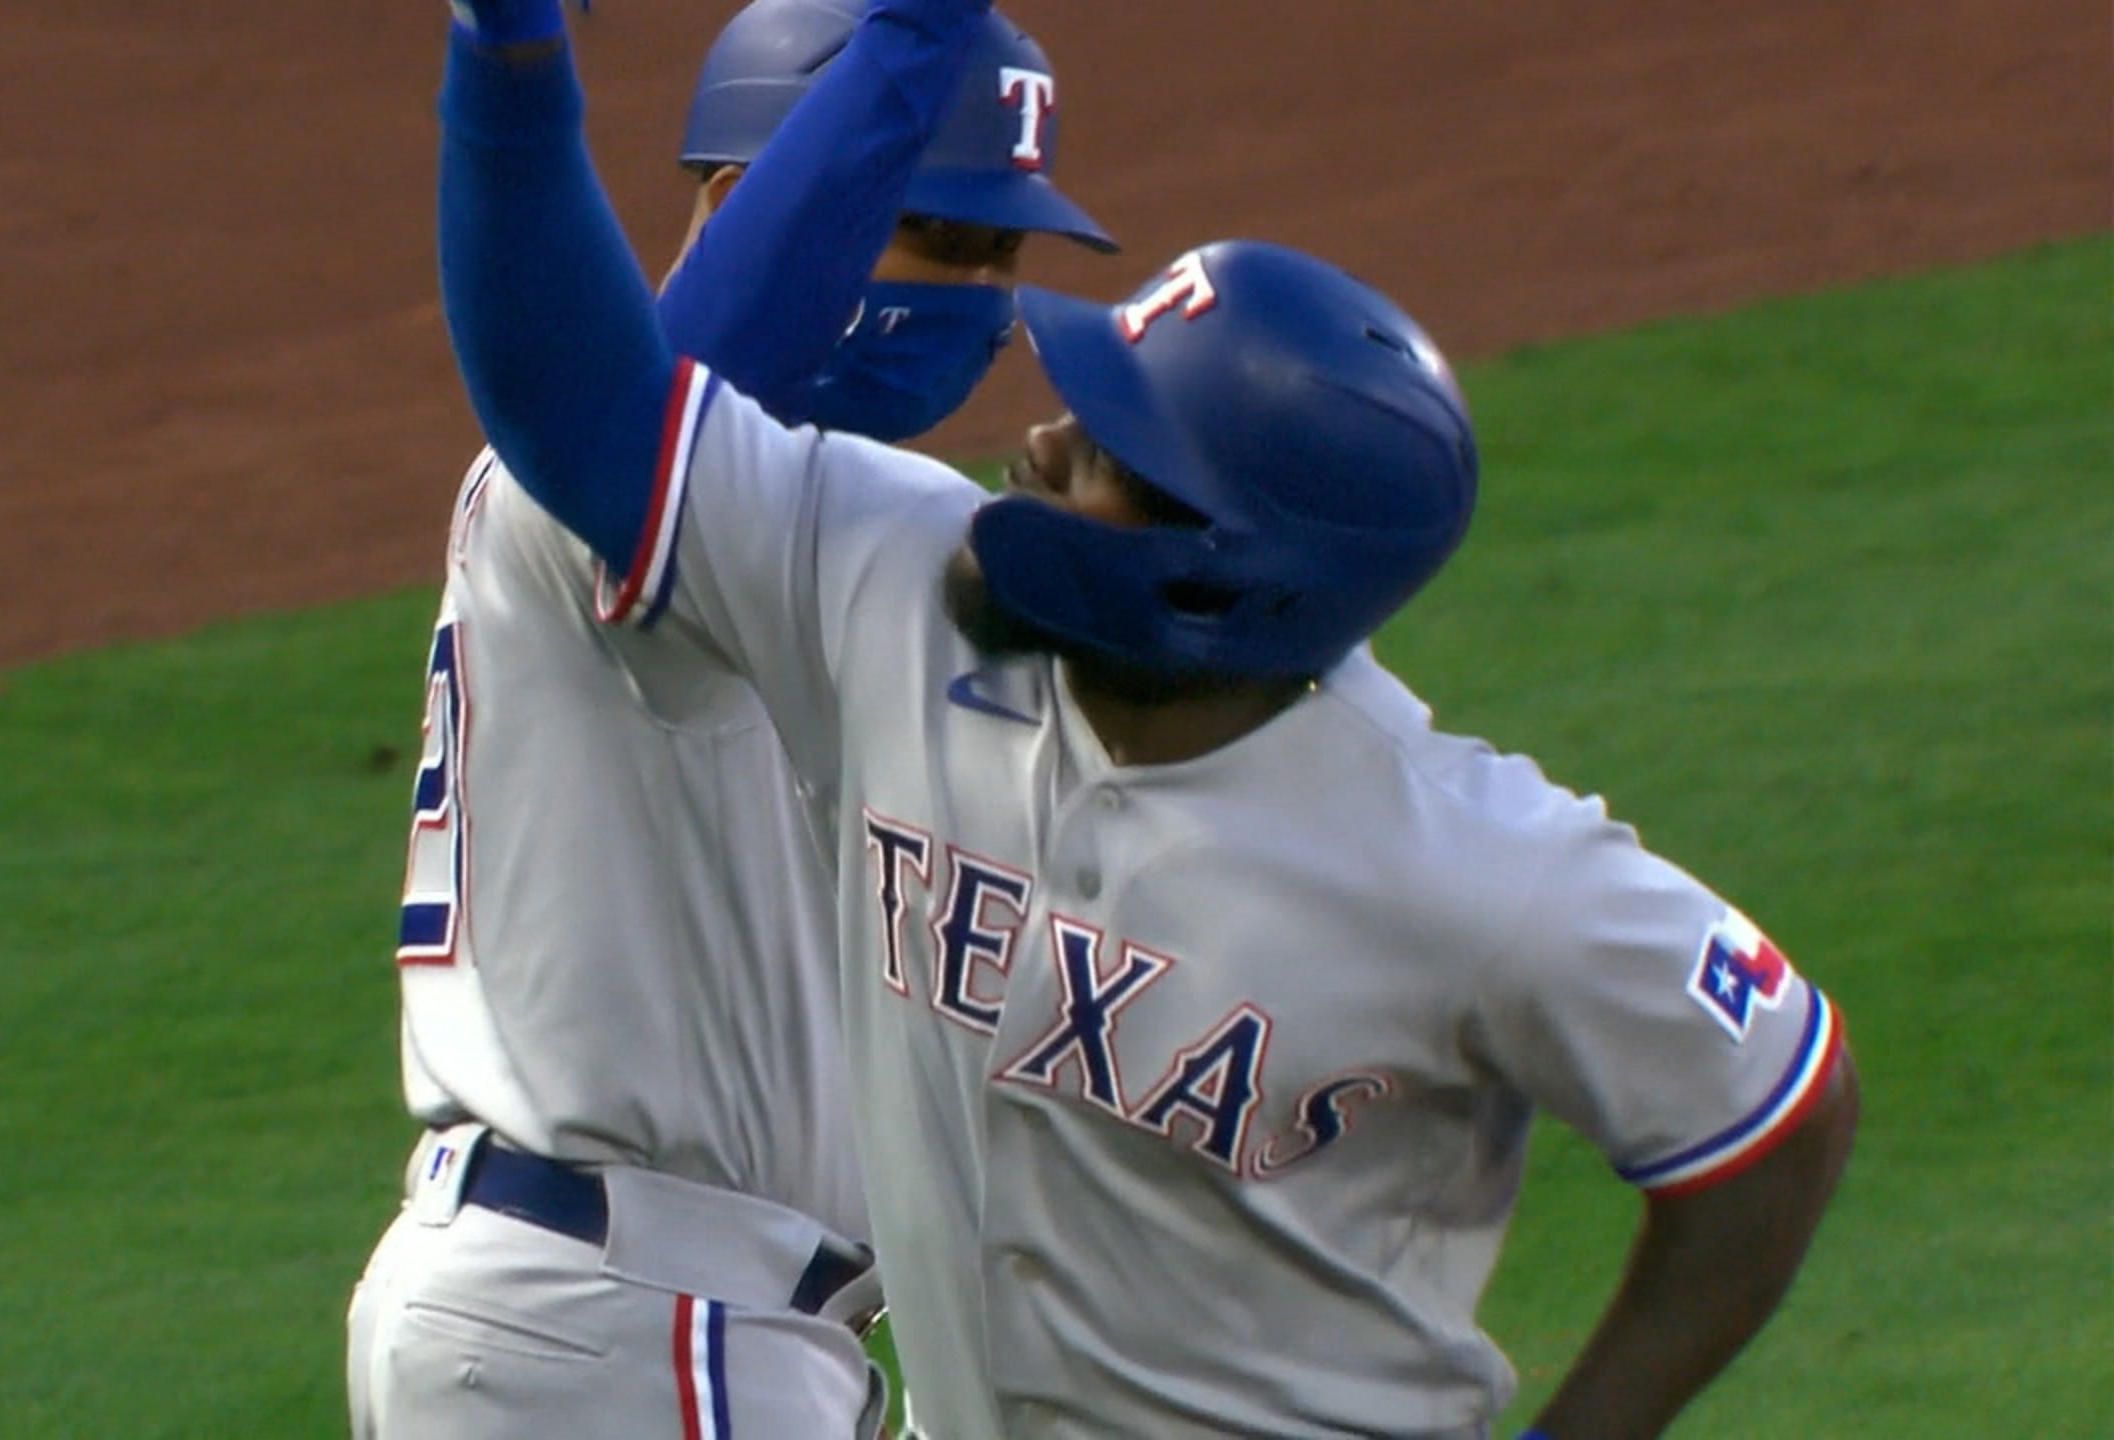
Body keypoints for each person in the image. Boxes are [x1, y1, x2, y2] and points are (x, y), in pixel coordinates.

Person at [430, 3, 1864, 1437]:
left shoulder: (1468, 859)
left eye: (1103, 452)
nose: (1034, 440)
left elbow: (1780, 1102)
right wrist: (511, 69)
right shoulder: (893, 586)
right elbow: (593, 411)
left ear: (1213, 571)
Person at [344, 1, 1113, 1436]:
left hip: (650, 1325)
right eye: (942, 241)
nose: (982, 296)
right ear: (745, 208)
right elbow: (696, 374)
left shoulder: (851, 537)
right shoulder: (581, 499)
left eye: (1003, 256)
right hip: (634, 1319)